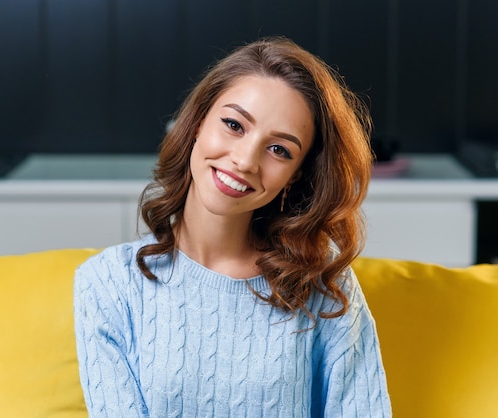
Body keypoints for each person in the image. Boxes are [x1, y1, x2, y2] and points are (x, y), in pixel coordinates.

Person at [74, 36, 392, 417]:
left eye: (280, 150)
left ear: (294, 176)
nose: (245, 160)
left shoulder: (323, 284)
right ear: (196, 124)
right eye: (233, 124)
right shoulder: (106, 284)